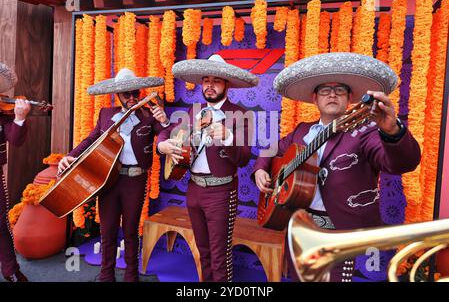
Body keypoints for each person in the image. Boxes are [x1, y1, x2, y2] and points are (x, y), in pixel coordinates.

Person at [252, 52, 421, 282]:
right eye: (325, 90)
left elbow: (401, 163)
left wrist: (392, 132)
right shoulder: (302, 131)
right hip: (299, 230)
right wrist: (261, 169)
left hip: (341, 235)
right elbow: (272, 150)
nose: (332, 94)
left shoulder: (366, 131)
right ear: (315, 99)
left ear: (350, 98)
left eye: (339, 90)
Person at [58, 68, 170, 282]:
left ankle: (131, 275)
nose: (131, 98)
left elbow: (166, 133)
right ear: (117, 95)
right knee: (107, 230)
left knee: (130, 230)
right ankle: (106, 275)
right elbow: (90, 140)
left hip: (135, 180)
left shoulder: (149, 114)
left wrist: (164, 121)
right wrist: (70, 156)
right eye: (126, 94)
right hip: (108, 180)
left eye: (135, 93)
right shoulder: (106, 114)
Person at [157, 54, 258, 282]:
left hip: (221, 193)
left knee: (219, 256)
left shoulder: (241, 115)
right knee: (202, 252)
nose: (210, 86)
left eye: (217, 80)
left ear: (227, 84)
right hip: (193, 190)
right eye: (206, 80)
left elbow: (243, 159)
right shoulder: (194, 111)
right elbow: (166, 132)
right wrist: (162, 145)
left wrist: (229, 137)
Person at [0, 63, 31, 282]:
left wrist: (20, 117)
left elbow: (16, 139)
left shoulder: (3, 113)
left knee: (1, 223)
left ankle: (10, 270)